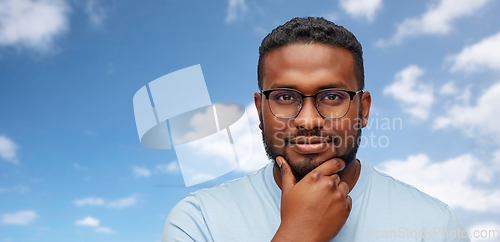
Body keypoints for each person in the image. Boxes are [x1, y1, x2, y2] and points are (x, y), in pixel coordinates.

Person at [162, 17, 469, 242]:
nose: (308, 120)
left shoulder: (435, 227)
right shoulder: (198, 221)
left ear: (363, 110)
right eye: (285, 97)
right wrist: (298, 233)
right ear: (260, 110)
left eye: (332, 97)